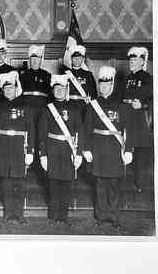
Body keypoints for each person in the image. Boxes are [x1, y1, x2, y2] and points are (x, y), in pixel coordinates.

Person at [84, 66, 134, 229]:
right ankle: (101, 217)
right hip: (98, 150)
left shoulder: (122, 105)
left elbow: (128, 130)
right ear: (99, 85)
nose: (104, 87)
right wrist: (86, 149)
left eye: (107, 84)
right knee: (99, 186)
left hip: (114, 151)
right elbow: (86, 129)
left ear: (112, 85)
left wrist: (128, 150)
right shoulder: (93, 105)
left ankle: (114, 217)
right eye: (102, 84)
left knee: (113, 186)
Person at [38, 74, 84, 225]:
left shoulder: (75, 108)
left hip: (68, 150)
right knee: (53, 185)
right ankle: (53, 216)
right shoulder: (47, 109)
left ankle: (63, 216)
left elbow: (80, 132)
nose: (59, 91)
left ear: (67, 90)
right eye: (56, 88)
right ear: (52, 90)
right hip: (52, 150)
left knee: (66, 185)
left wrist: (79, 153)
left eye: (62, 88)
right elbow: (42, 134)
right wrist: (43, 155)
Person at [0, 71, 35, 224]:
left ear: (17, 88)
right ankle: (8, 213)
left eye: (11, 88)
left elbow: (31, 130)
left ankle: (19, 214)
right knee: (5, 183)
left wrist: (30, 151)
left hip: (20, 148)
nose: (8, 91)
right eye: (6, 88)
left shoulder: (26, 106)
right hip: (3, 148)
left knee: (20, 183)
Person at [122, 47, 153, 193]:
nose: (131, 62)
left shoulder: (147, 78)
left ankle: (140, 184)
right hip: (126, 116)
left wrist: (143, 104)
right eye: (130, 59)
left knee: (140, 150)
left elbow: (153, 99)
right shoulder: (127, 78)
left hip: (140, 118)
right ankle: (125, 181)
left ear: (142, 61)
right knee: (126, 146)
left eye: (134, 60)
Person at [19, 44, 51, 174]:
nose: (34, 61)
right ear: (29, 60)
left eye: (37, 58)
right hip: (27, 111)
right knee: (28, 136)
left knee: (41, 136)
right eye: (32, 58)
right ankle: (26, 163)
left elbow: (51, 96)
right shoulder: (22, 75)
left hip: (42, 111)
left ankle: (40, 164)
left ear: (41, 59)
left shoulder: (47, 75)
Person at [62, 45, 97, 120]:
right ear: (71, 59)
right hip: (69, 106)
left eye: (79, 58)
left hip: (84, 107)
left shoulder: (88, 75)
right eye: (74, 58)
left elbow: (94, 94)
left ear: (83, 59)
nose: (77, 60)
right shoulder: (65, 74)